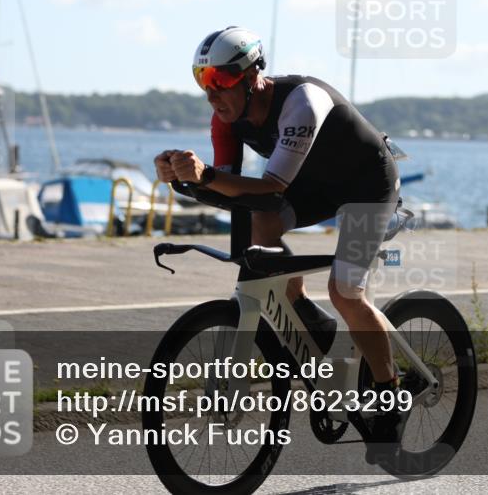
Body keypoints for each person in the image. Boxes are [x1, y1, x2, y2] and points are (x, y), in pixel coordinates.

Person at [154, 26, 406, 461]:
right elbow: (231, 194)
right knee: (261, 226)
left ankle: (390, 393)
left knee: (345, 291)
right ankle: (307, 317)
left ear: (253, 77)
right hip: (315, 184)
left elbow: (268, 184)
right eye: (202, 81)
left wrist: (206, 176)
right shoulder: (225, 121)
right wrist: (185, 182)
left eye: (219, 81)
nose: (211, 94)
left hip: (367, 183)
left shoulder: (301, 103)